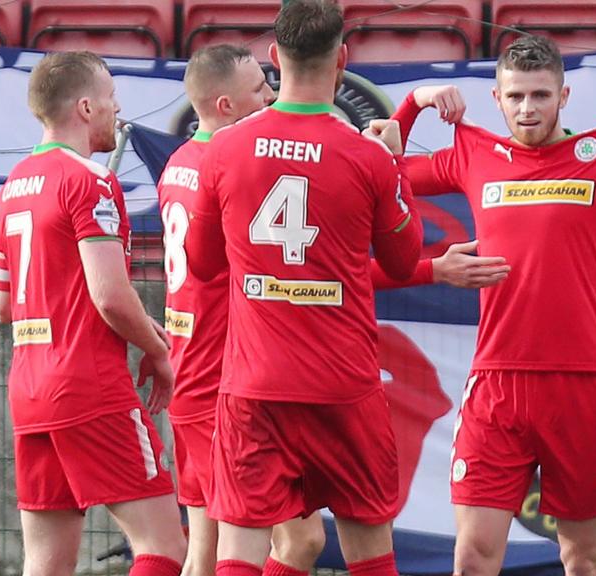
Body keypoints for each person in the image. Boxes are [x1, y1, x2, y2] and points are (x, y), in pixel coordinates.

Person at [370, 35, 596, 576]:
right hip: (497, 385)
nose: (527, 109)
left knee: (583, 557)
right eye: (515, 97)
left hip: (582, 386)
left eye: (540, 95)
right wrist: (414, 103)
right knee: (475, 556)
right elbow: (379, 173)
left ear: (565, 95)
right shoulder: (473, 152)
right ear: (498, 100)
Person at [160, 43, 508, 576]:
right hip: (255, 376)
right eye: (258, 89)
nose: (269, 94)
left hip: (235, 376)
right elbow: (358, 266)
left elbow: (215, 265)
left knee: (285, 544)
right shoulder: (335, 152)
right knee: (206, 553)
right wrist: (428, 267)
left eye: (268, 81)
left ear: (278, 53)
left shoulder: (201, 161)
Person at [193, 2, 423, 576]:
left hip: (255, 383)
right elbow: (402, 262)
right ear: (342, 59)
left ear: (274, 58)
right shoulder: (369, 155)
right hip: (343, 386)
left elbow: (200, 263)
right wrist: (397, 167)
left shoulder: (223, 149)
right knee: (370, 553)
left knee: (240, 552)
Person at [0, 51, 186, 576]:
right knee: (164, 547)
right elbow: (109, 296)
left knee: (46, 561)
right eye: (110, 97)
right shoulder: (91, 181)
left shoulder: (11, 186)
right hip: (88, 386)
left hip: (30, 390)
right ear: (84, 107)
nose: (117, 107)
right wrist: (157, 347)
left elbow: (3, 305)